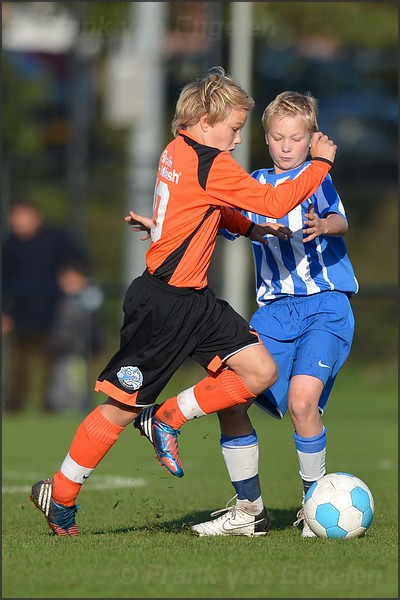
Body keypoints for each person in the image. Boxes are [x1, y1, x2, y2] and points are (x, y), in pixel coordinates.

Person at [29, 67, 336, 536]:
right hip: (162, 304)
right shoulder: (211, 163)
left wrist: (247, 228)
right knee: (121, 407)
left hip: (195, 300)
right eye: (234, 128)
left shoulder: (178, 151)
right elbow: (273, 201)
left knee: (259, 371)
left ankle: (168, 418)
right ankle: (61, 493)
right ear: (208, 118)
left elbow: (207, 208)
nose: (237, 140)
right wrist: (319, 164)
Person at [189, 91, 358, 537]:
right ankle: (250, 511)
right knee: (232, 397)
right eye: (278, 138)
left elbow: (340, 220)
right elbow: (217, 220)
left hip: (325, 305)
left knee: (303, 401)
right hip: (275, 313)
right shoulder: (254, 184)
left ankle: (312, 506)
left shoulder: (316, 176)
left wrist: (324, 225)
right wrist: (161, 225)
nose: (286, 147)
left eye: (296, 138)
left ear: (311, 139)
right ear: (267, 139)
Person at [2, 201, 86, 413]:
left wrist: (74, 276)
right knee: (19, 367)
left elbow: (79, 261)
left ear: (36, 218)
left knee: (51, 366)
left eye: (24, 216)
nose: (20, 222)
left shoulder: (56, 240)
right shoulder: (9, 245)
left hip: (52, 313)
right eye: (16, 217)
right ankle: (14, 408)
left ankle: (49, 407)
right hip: (19, 314)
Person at [46, 261, 104, 413]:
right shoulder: (59, 301)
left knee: (77, 382)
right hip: (63, 350)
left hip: (79, 351)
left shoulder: (87, 301)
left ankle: (78, 408)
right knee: (61, 382)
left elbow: (92, 328)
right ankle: (62, 409)